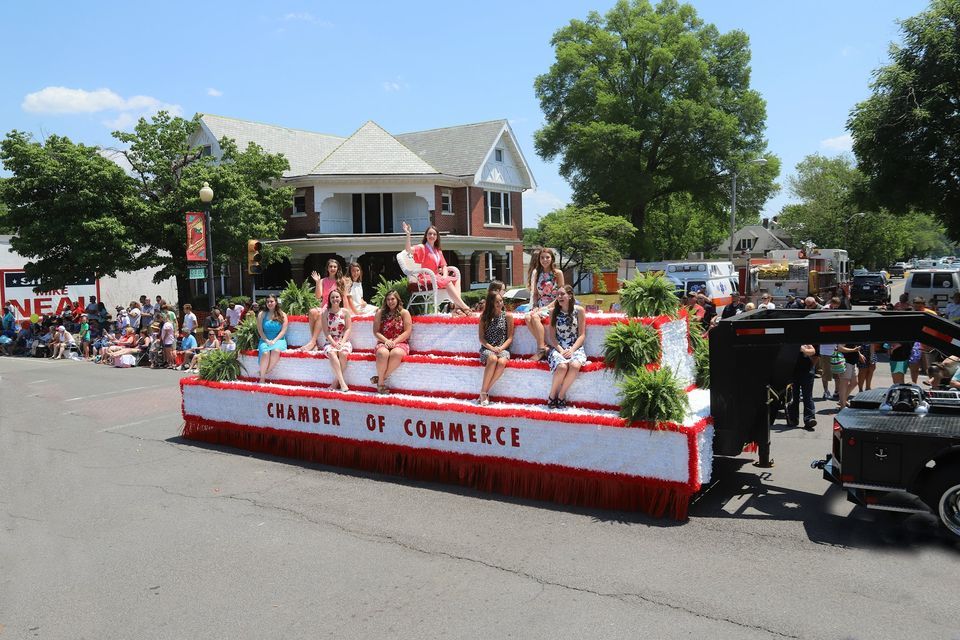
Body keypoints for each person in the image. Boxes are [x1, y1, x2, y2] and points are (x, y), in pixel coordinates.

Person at [402, 221, 471, 314]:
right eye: (430, 233)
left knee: (456, 278)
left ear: (437, 237)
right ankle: (464, 306)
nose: (432, 236)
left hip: (437, 276)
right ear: (426, 236)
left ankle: (457, 307)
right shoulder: (422, 247)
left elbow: (444, 266)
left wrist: (445, 275)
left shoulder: (438, 250)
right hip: (426, 277)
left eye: (434, 234)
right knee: (447, 281)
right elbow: (408, 249)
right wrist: (408, 234)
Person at [546, 285, 586, 408]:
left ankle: (561, 395)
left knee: (574, 366)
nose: (559, 297)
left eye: (562, 294)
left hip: (575, 346)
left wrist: (572, 350)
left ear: (570, 295)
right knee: (562, 367)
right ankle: (552, 395)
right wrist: (562, 350)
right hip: (559, 347)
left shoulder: (579, 311)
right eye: (557, 295)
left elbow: (582, 335)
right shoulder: (553, 312)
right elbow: (552, 337)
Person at [526, 248, 564, 361]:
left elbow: (561, 294)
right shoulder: (537, 273)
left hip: (555, 304)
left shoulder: (558, 273)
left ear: (552, 259)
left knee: (534, 317)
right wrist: (535, 306)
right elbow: (536, 294)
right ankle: (545, 347)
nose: (545, 260)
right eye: (542, 257)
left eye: (547, 257)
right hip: (541, 305)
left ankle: (540, 350)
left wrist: (547, 307)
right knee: (527, 317)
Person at [477, 290, 514, 405]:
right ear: (491, 303)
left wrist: (501, 348)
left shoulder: (508, 316)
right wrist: (492, 348)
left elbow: (510, 338)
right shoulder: (484, 317)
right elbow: (481, 338)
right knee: (492, 359)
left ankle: (484, 391)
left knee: (502, 362)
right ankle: (484, 393)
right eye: (496, 301)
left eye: (501, 301)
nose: (499, 303)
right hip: (488, 348)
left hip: (503, 348)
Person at [371, 290, 412, 394]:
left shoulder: (404, 313)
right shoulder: (380, 313)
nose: (390, 301)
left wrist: (395, 342)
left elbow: (407, 331)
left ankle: (381, 378)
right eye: (388, 299)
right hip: (383, 341)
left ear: (397, 300)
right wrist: (386, 341)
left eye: (393, 299)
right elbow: (376, 332)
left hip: (400, 342)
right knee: (382, 353)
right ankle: (380, 384)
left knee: (396, 353)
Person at [300, 259, 345, 351]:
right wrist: (317, 282)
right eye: (330, 266)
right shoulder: (322, 281)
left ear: (338, 268)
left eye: (335, 267)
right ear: (327, 268)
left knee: (322, 314)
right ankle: (314, 343)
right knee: (312, 311)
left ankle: (312, 342)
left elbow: (344, 297)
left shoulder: (341, 281)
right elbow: (318, 296)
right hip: (324, 305)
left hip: (334, 307)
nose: (332, 268)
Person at [321, 289, 353, 392]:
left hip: (343, 340)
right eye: (332, 297)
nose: (335, 299)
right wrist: (334, 343)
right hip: (330, 341)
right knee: (331, 353)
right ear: (329, 299)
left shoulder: (345, 312)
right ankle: (342, 383)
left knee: (343, 354)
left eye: (337, 297)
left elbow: (348, 329)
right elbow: (326, 331)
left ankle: (335, 382)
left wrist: (342, 342)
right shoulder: (325, 313)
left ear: (340, 298)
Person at [257, 294, 288, 384]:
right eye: (267, 302)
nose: (269, 303)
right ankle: (262, 378)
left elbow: (283, 331)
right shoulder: (261, 314)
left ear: (276, 302)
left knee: (275, 351)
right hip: (265, 339)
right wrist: (266, 340)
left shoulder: (283, 314)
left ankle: (267, 370)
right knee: (265, 353)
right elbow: (260, 330)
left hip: (279, 339)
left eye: (271, 301)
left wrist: (275, 340)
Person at [788, 344, 819, 430]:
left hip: (807, 371)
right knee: (794, 396)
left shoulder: (805, 342)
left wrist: (803, 350)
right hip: (793, 372)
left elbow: (813, 351)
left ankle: (809, 419)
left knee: (807, 396)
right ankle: (793, 419)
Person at [835, 343, 865, 409]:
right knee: (844, 384)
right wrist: (853, 350)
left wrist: (859, 354)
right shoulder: (845, 335)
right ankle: (842, 406)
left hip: (852, 362)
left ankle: (842, 401)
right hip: (845, 362)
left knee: (854, 382)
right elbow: (839, 348)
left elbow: (854, 346)